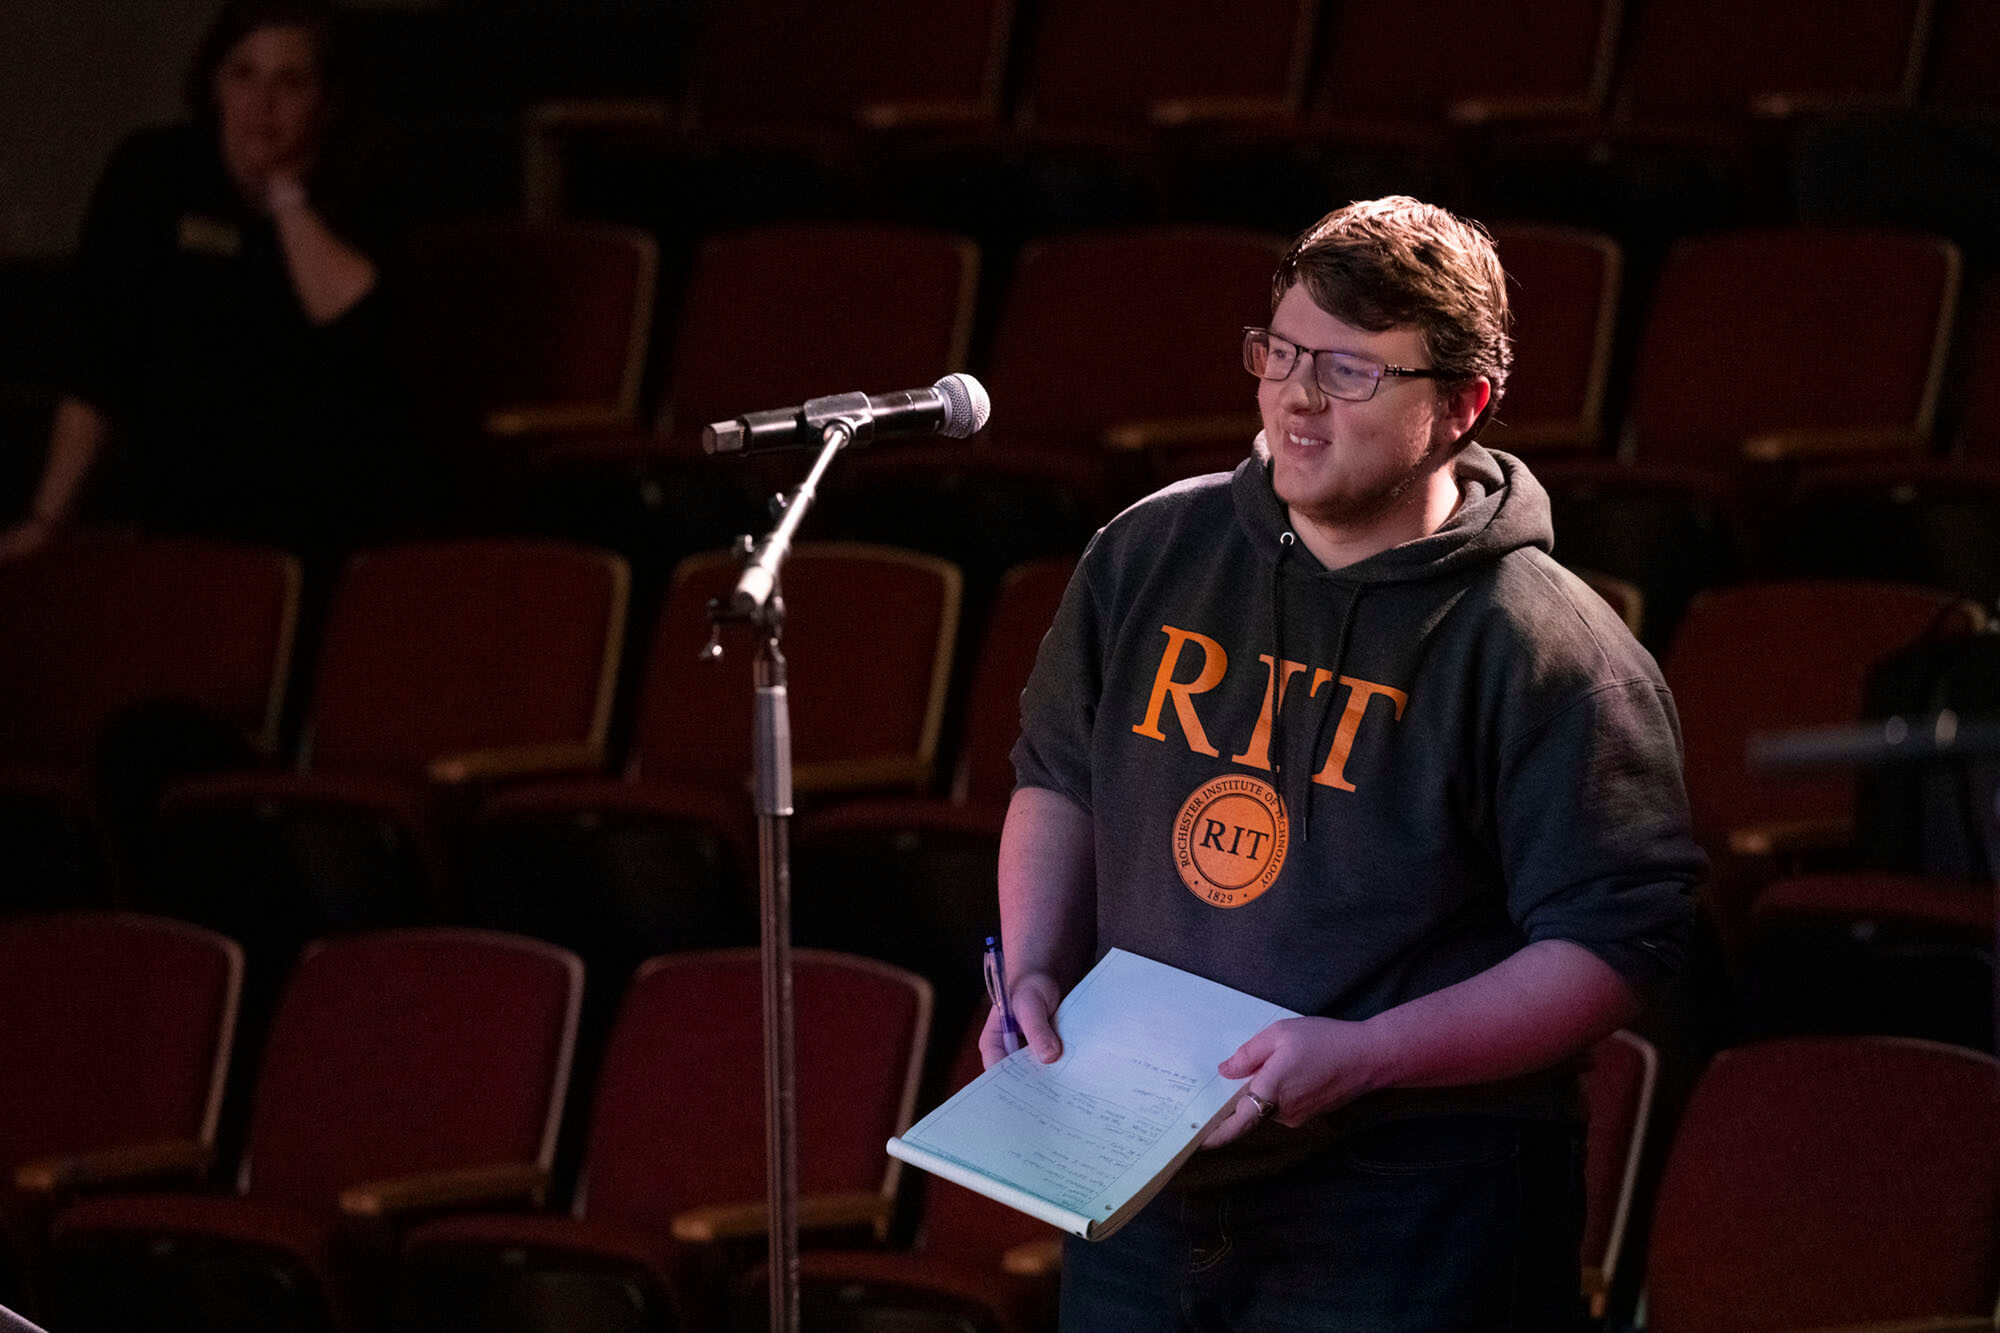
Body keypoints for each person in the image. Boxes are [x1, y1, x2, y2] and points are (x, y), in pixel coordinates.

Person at [984, 196, 1704, 1331]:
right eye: (1278, 353)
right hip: (1141, 1182)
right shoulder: (1148, 551)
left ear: (1461, 404)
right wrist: (1031, 966)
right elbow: (1058, 779)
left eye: (1349, 370)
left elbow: (1613, 949)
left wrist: (1367, 1054)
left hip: (1412, 1207)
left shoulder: (1549, 649)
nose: (1295, 397)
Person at [0, 0, 407, 567]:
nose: (261, 105)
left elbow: (351, 320)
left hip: (320, 517)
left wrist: (284, 196)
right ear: (214, 83)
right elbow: (99, 365)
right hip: (181, 511)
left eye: (289, 84)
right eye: (243, 75)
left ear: (328, 102)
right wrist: (50, 520)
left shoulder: (361, 185)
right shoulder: (155, 173)